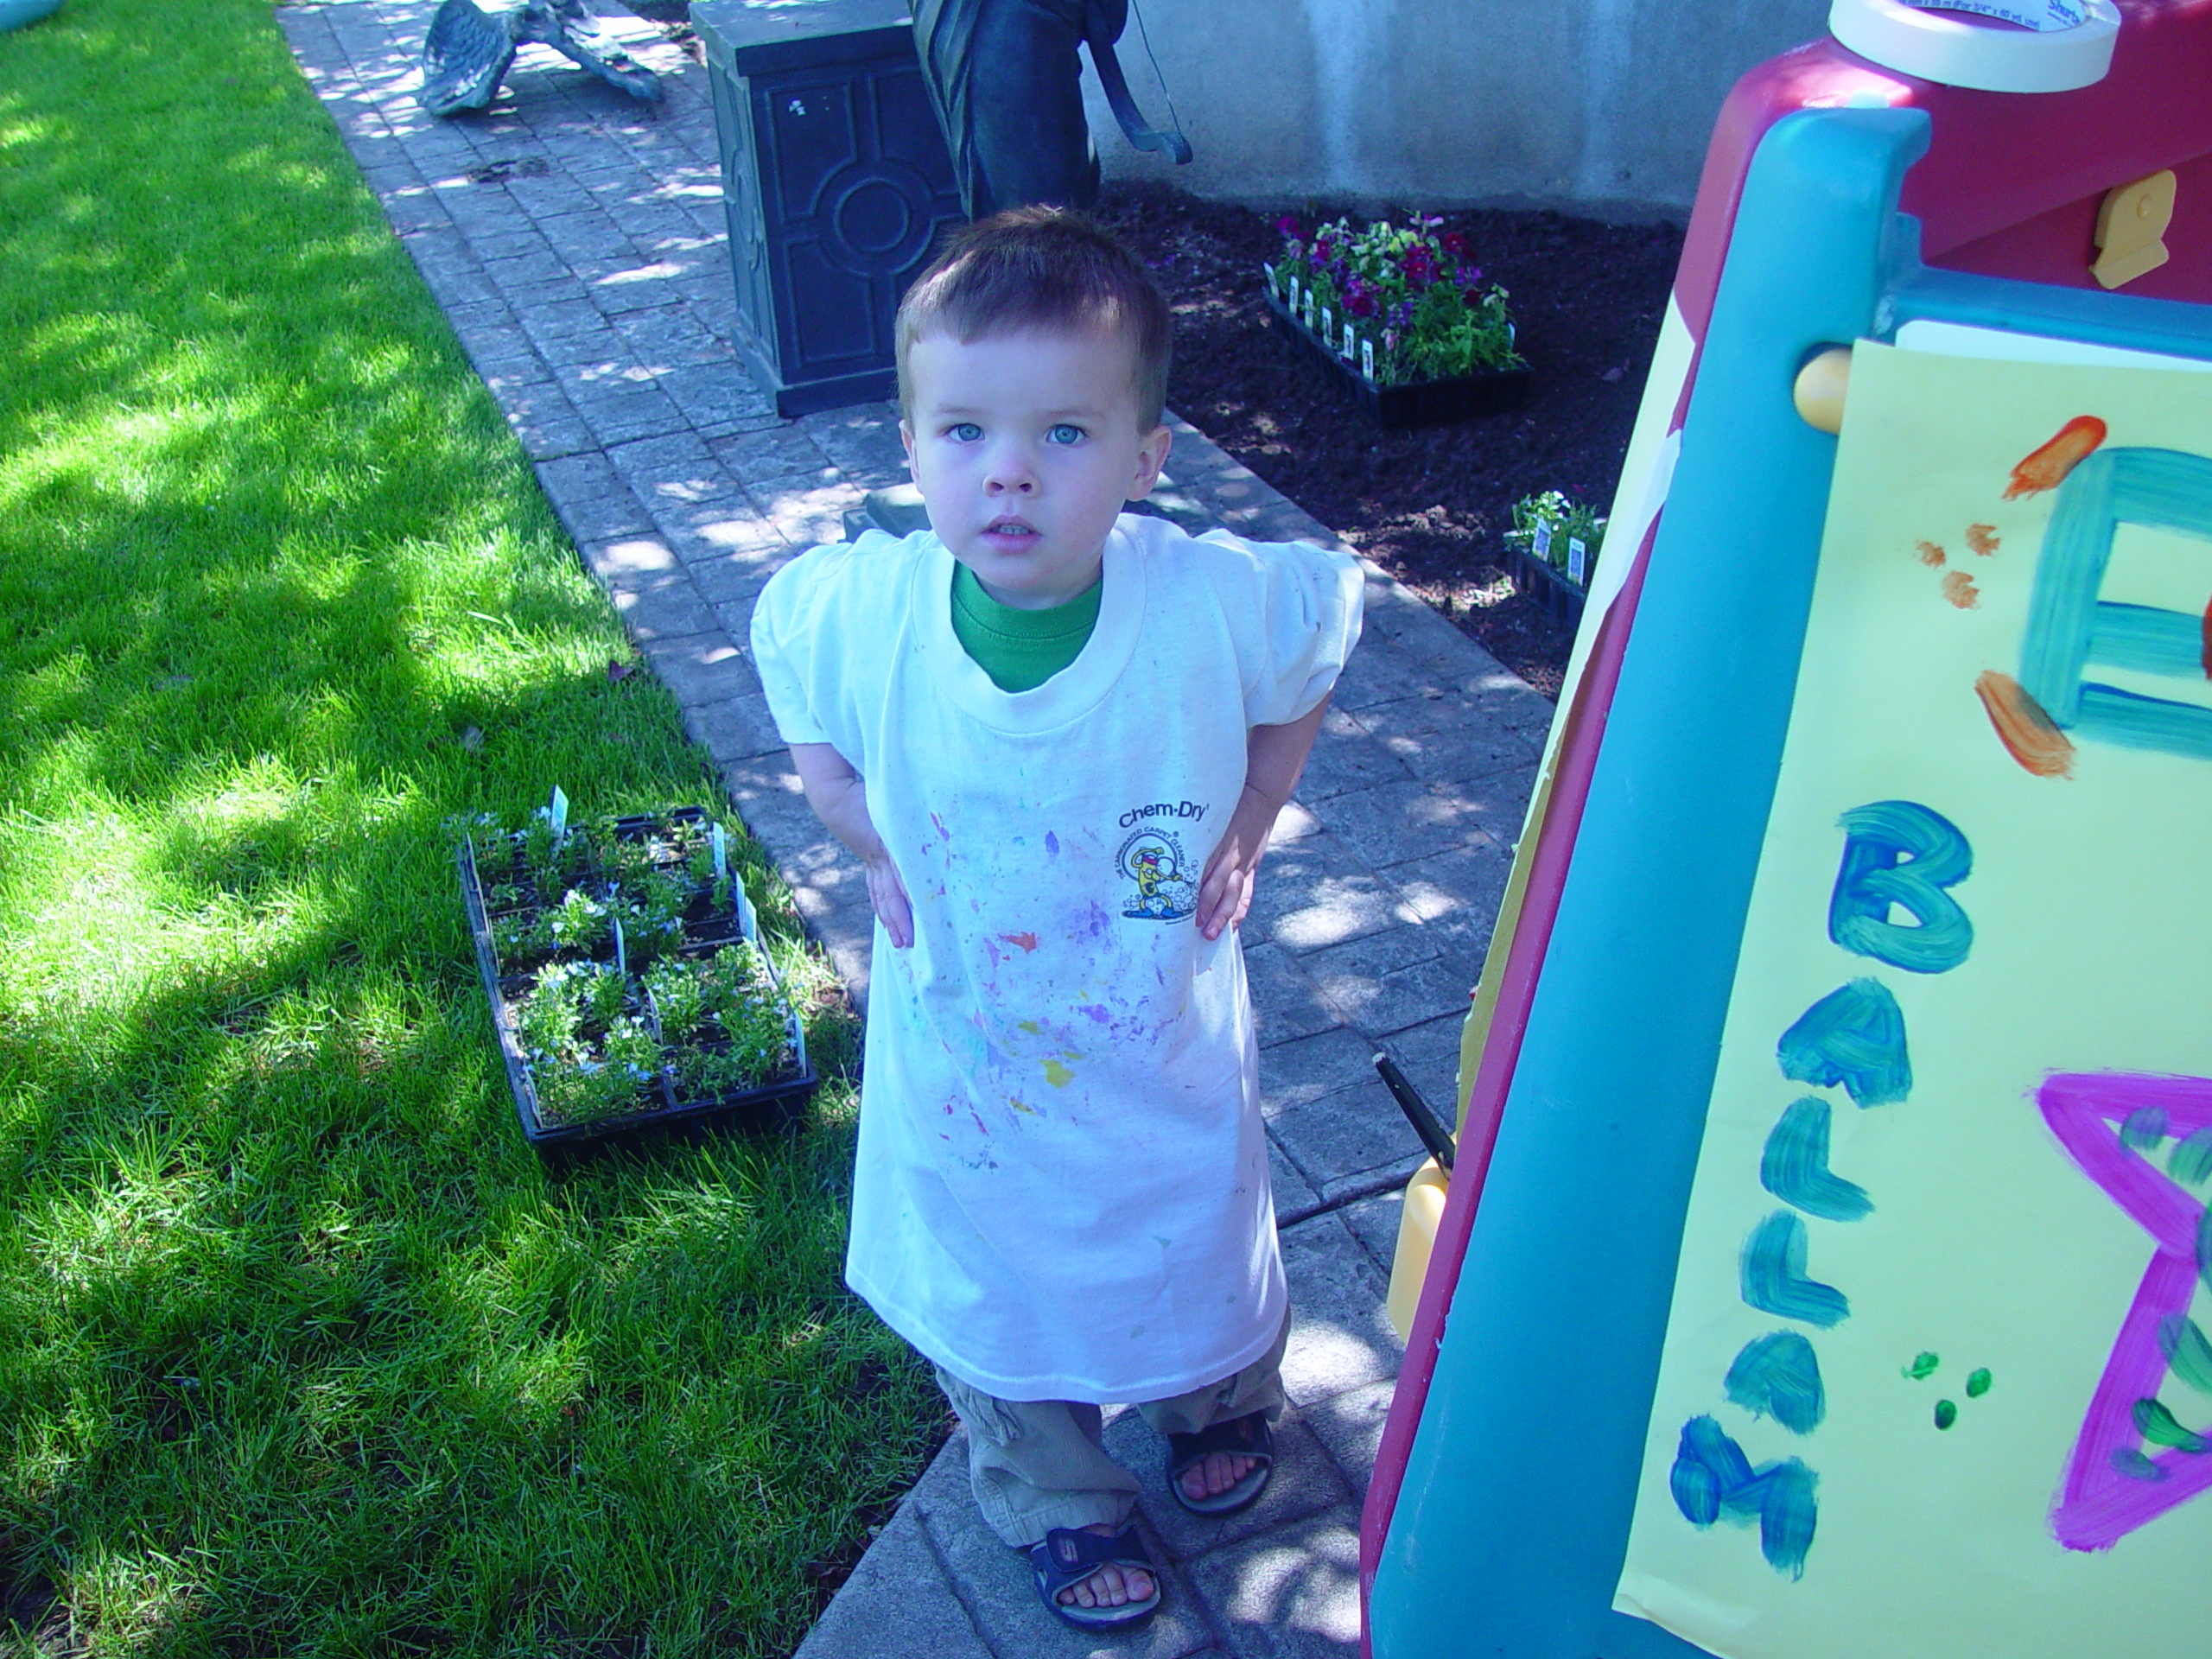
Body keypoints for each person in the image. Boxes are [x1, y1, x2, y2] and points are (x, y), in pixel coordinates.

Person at [750, 207, 1363, 1632]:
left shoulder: (1210, 600)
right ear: (909, 447)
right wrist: (866, 837)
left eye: (1064, 435)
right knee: (998, 1275)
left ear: (1146, 459)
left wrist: (1256, 815)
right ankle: (1053, 1487)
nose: (1008, 470)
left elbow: (1321, 632)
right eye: (962, 431)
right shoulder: (863, 615)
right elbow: (798, 698)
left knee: (1196, 1223)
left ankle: (1219, 1398)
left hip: (1158, 1037)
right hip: (972, 1063)